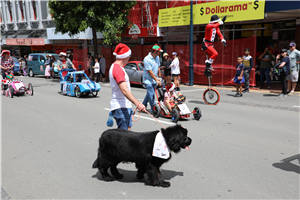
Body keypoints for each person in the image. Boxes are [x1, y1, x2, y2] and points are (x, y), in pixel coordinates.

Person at [109, 43, 146, 130]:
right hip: (121, 106)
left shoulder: (118, 67)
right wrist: (138, 103)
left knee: (127, 132)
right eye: (129, 56)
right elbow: (124, 90)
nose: (129, 58)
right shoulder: (117, 69)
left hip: (124, 106)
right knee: (123, 137)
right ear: (125, 56)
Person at [142, 44, 162, 113]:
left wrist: (159, 76)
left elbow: (158, 66)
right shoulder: (147, 59)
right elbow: (150, 72)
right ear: (155, 51)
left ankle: (143, 105)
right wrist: (156, 79)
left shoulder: (157, 58)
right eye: (159, 52)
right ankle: (153, 109)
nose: (160, 53)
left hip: (154, 79)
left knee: (149, 93)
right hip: (147, 80)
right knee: (151, 94)